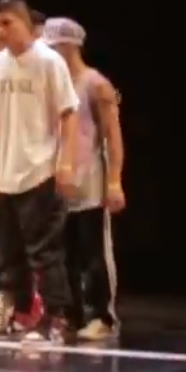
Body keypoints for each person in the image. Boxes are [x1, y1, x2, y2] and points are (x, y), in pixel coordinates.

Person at [0, 0, 80, 344]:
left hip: (39, 168)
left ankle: (56, 319)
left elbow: (68, 113)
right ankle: (22, 315)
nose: (0, 31)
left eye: (7, 23)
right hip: (4, 171)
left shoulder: (49, 61)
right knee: (9, 252)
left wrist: (66, 162)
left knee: (44, 251)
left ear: (25, 23)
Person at [42, 17, 125, 341]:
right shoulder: (53, 84)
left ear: (69, 46)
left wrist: (114, 181)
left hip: (89, 180)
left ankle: (101, 316)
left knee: (92, 252)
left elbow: (112, 136)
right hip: (58, 181)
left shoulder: (95, 84)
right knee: (63, 254)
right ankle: (71, 315)